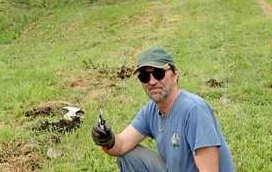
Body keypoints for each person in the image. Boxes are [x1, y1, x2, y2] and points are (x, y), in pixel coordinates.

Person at [92, 46, 235, 172]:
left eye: (159, 73)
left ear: (175, 74)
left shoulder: (194, 110)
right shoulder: (151, 111)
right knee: (129, 157)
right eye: (144, 76)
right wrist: (107, 140)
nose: (152, 81)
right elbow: (122, 145)